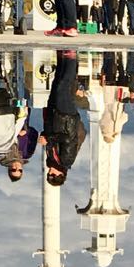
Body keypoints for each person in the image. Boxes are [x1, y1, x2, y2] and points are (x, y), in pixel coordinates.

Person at [42, 51, 86, 184]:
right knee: (64, 86)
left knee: (57, 83)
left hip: (54, 116)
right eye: (53, 175)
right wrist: (48, 138)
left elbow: (50, 137)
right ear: (61, 174)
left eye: (49, 174)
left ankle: (62, 56)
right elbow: (68, 139)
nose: (50, 172)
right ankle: (71, 58)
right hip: (66, 118)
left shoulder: (51, 158)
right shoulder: (66, 160)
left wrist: (45, 136)